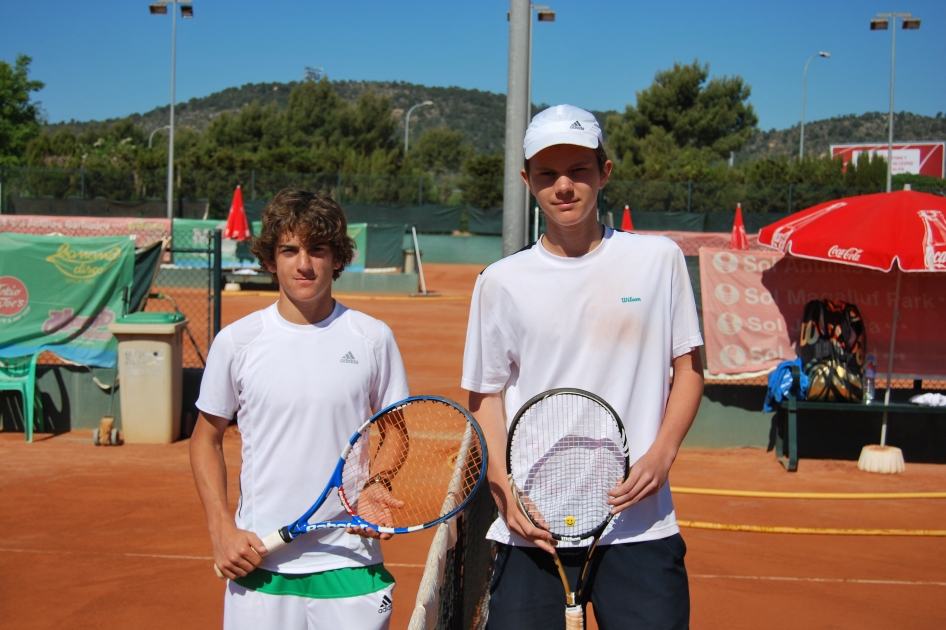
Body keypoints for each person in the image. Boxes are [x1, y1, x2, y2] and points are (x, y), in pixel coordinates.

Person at [461, 105, 705, 629]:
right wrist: (505, 494)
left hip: (639, 529)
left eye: (579, 171)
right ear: (527, 180)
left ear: (605, 172)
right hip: (534, 529)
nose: (564, 186)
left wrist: (662, 455)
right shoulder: (500, 281)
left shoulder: (659, 260)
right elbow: (484, 397)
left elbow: (689, 369)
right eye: (547, 174)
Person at [190, 188, 410, 630]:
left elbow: (396, 432)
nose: (304, 264)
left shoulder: (372, 337)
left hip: (351, 559)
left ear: (338, 258)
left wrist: (376, 484)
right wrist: (221, 530)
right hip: (261, 560)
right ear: (271, 260)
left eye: (317, 249)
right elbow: (205, 438)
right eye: (289, 250)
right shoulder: (237, 342)